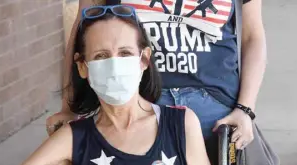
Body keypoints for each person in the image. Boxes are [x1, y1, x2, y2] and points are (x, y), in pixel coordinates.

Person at [0, 6, 218, 165]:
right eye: (101, 56)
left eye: (125, 53)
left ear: (144, 60)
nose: (115, 66)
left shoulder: (180, 124)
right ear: (83, 67)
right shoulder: (75, 137)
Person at [47, 0, 266, 152]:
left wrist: (245, 109)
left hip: (214, 101)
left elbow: (252, 37)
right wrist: (68, 108)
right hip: (136, 97)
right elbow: (82, 33)